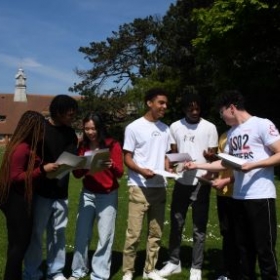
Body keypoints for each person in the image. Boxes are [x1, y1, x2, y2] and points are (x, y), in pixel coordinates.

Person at [185, 90, 280, 280]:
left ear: (232, 108)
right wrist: (196, 165)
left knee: (264, 249)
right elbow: (225, 163)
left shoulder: (262, 124)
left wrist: (254, 164)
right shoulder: (232, 133)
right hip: (237, 198)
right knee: (243, 248)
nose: (222, 117)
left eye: (222, 112)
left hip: (260, 197)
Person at [158, 91, 218, 280]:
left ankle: (196, 267)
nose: (194, 111)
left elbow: (213, 156)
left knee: (199, 226)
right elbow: (172, 153)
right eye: (190, 108)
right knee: (176, 222)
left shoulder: (210, 127)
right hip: (181, 182)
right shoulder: (175, 126)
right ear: (184, 108)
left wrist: (209, 157)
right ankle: (174, 262)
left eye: (197, 108)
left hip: (201, 182)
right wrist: (173, 165)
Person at [23, 95, 79, 280]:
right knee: (36, 234)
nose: (73, 116)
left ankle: (55, 271)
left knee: (58, 234)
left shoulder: (70, 134)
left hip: (61, 191)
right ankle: (32, 272)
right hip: (41, 191)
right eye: (70, 113)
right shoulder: (41, 129)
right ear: (58, 112)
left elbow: (71, 157)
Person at [0, 110, 58, 280]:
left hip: (19, 198)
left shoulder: (27, 145)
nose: (42, 133)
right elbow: (16, 177)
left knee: (16, 245)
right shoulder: (21, 148)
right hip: (16, 200)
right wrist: (42, 170)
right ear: (32, 129)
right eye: (40, 129)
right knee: (19, 245)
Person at [121, 88, 173, 280]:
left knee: (156, 233)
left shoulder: (165, 129)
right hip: (139, 187)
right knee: (133, 234)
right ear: (149, 103)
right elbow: (127, 158)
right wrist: (142, 171)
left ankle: (149, 270)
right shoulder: (134, 127)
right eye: (161, 103)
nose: (164, 107)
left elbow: (166, 157)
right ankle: (128, 271)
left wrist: (169, 168)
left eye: (166, 103)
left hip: (159, 186)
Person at [68, 113, 124, 280]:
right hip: (88, 194)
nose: (90, 132)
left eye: (93, 128)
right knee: (81, 234)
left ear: (99, 128)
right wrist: (80, 164)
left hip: (107, 195)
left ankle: (99, 275)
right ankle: (78, 271)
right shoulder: (83, 145)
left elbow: (120, 172)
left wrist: (111, 165)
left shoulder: (112, 144)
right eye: (87, 129)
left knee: (105, 236)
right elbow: (77, 175)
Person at [210, 131, 240, 280]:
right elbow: (220, 162)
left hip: (238, 193)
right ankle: (228, 271)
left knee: (240, 234)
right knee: (227, 233)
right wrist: (212, 177)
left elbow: (245, 167)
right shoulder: (223, 136)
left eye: (223, 112)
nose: (222, 115)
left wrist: (226, 181)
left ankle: (240, 271)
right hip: (223, 194)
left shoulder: (243, 137)